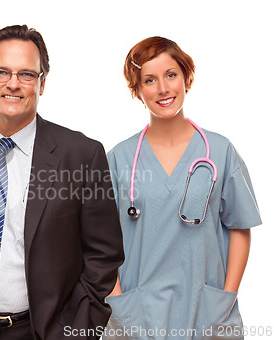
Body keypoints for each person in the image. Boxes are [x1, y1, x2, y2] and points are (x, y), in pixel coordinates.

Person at [0, 24, 124, 340]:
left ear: (41, 85)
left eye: (27, 75)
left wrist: (76, 328)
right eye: (1, 72)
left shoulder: (81, 154)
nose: (13, 84)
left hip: (39, 331)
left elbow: (104, 255)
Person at [104, 36, 262, 339]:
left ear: (187, 77)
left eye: (171, 75)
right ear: (137, 91)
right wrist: (117, 300)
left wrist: (225, 299)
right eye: (149, 80)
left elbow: (240, 227)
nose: (163, 89)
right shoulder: (119, 158)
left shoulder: (220, 150)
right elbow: (101, 241)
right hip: (137, 315)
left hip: (207, 311)